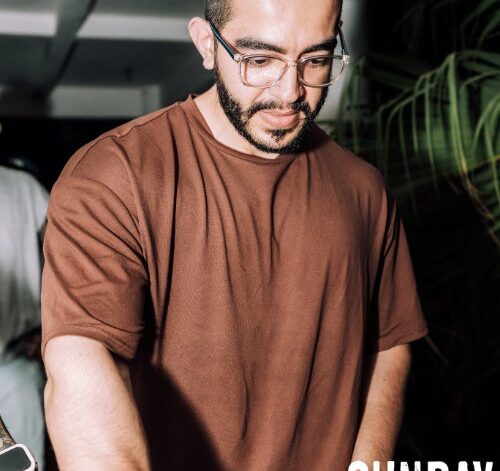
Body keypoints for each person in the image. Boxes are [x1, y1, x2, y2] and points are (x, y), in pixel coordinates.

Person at [41, 0, 428, 469]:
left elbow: (390, 344)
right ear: (207, 44)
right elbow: (82, 362)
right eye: (260, 60)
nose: (290, 92)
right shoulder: (112, 174)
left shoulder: (363, 189)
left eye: (316, 59)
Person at [0, 164, 48, 471]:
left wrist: (51, 328)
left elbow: (67, 258)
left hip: (15, 365)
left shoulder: (22, 186)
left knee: (20, 464)